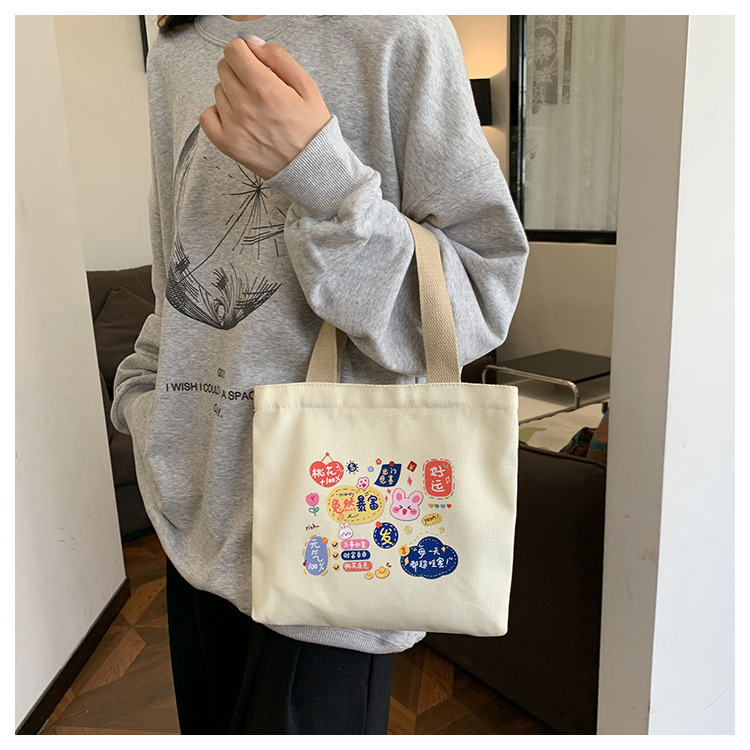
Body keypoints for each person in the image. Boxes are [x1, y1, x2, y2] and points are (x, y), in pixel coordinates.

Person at [112, 14, 529, 735]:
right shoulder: (175, 46)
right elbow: (173, 268)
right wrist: (146, 397)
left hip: (341, 532)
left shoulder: (397, 30)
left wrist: (320, 176)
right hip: (190, 512)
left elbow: (478, 300)